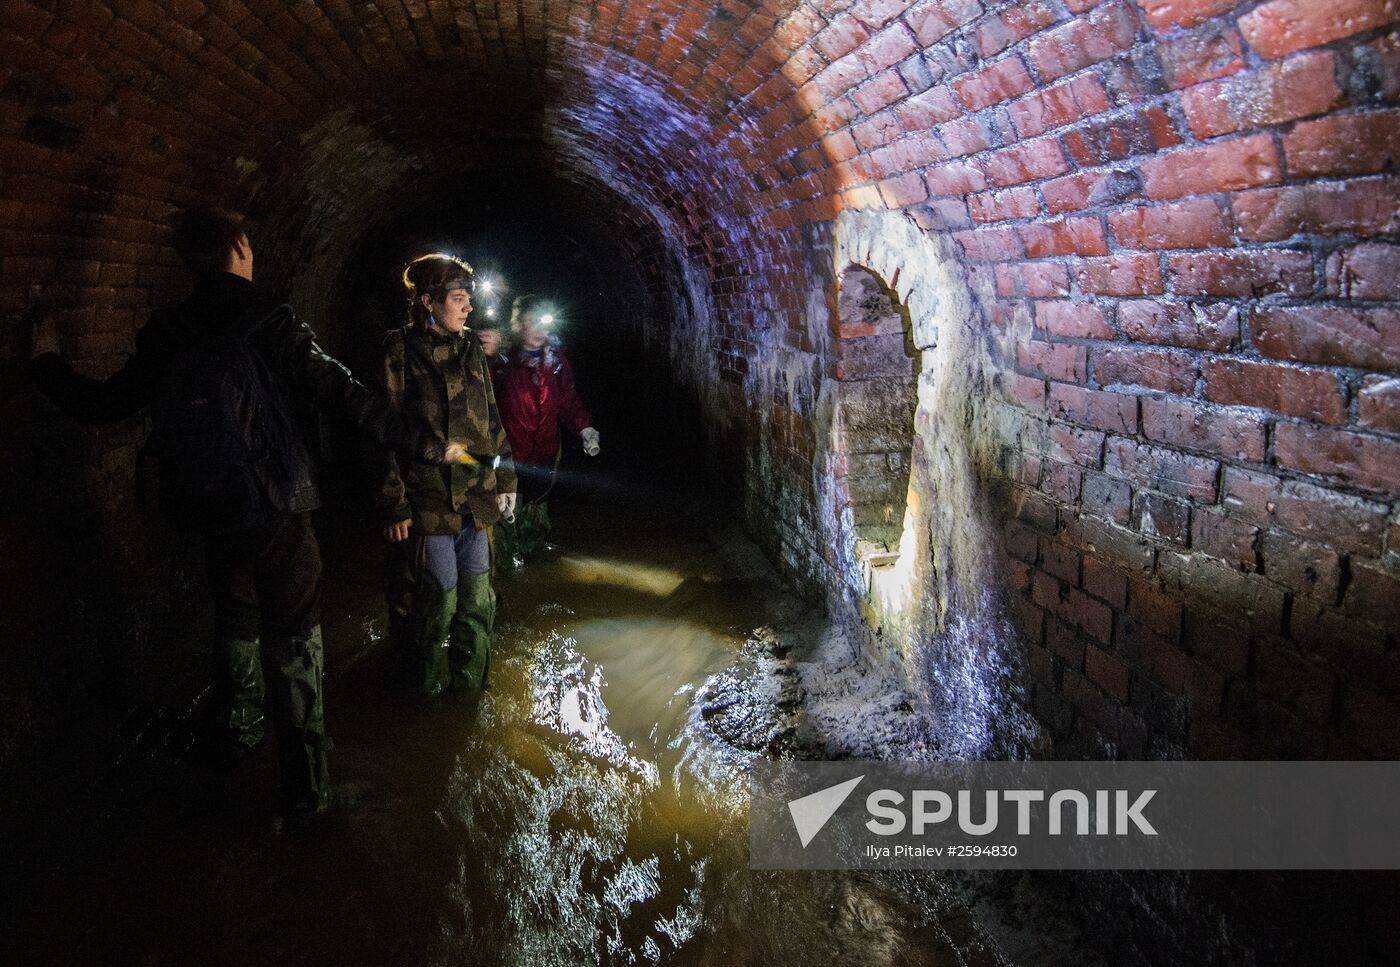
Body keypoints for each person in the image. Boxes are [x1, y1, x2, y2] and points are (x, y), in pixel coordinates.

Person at [27, 207, 465, 820]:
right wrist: (424, 444)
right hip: (276, 503)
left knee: (234, 611)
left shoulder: (167, 330)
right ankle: (307, 789)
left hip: (205, 503)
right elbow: (345, 396)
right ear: (238, 246)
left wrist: (45, 360)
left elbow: (104, 404)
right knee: (295, 630)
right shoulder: (271, 320)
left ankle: (237, 731)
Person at [373, 254, 516, 697]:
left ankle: (469, 694)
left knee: (477, 602)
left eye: (469, 298)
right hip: (428, 498)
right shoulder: (398, 350)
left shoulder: (470, 346)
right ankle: (422, 695)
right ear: (428, 301)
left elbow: (491, 416)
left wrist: (506, 479)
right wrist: (393, 502)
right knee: (436, 602)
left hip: (477, 495)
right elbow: (381, 429)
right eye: (458, 298)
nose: (469, 307)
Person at [491, 295, 598, 561]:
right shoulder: (501, 362)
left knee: (535, 529)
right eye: (532, 322)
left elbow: (567, 401)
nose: (540, 330)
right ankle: (507, 567)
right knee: (504, 525)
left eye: (544, 322)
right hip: (508, 460)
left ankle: (533, 566)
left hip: (544, 458)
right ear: (518, 324)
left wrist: (585, 428)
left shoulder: (556, 363)